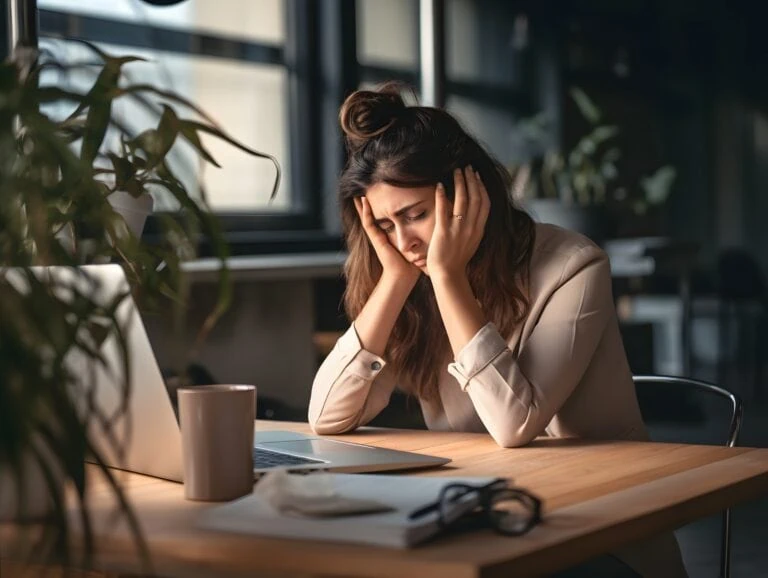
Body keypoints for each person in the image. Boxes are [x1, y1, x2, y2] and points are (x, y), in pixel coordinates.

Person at [308, 83, 687, 578]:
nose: (403, 242)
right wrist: (396, 281)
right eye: (385, 227)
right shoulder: (408, 273)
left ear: (468, 195)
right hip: (483, 521)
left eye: (416, 215)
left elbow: (514, 425)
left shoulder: (575, 266)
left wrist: (448, 275)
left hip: (597, 531)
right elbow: (326, 417)